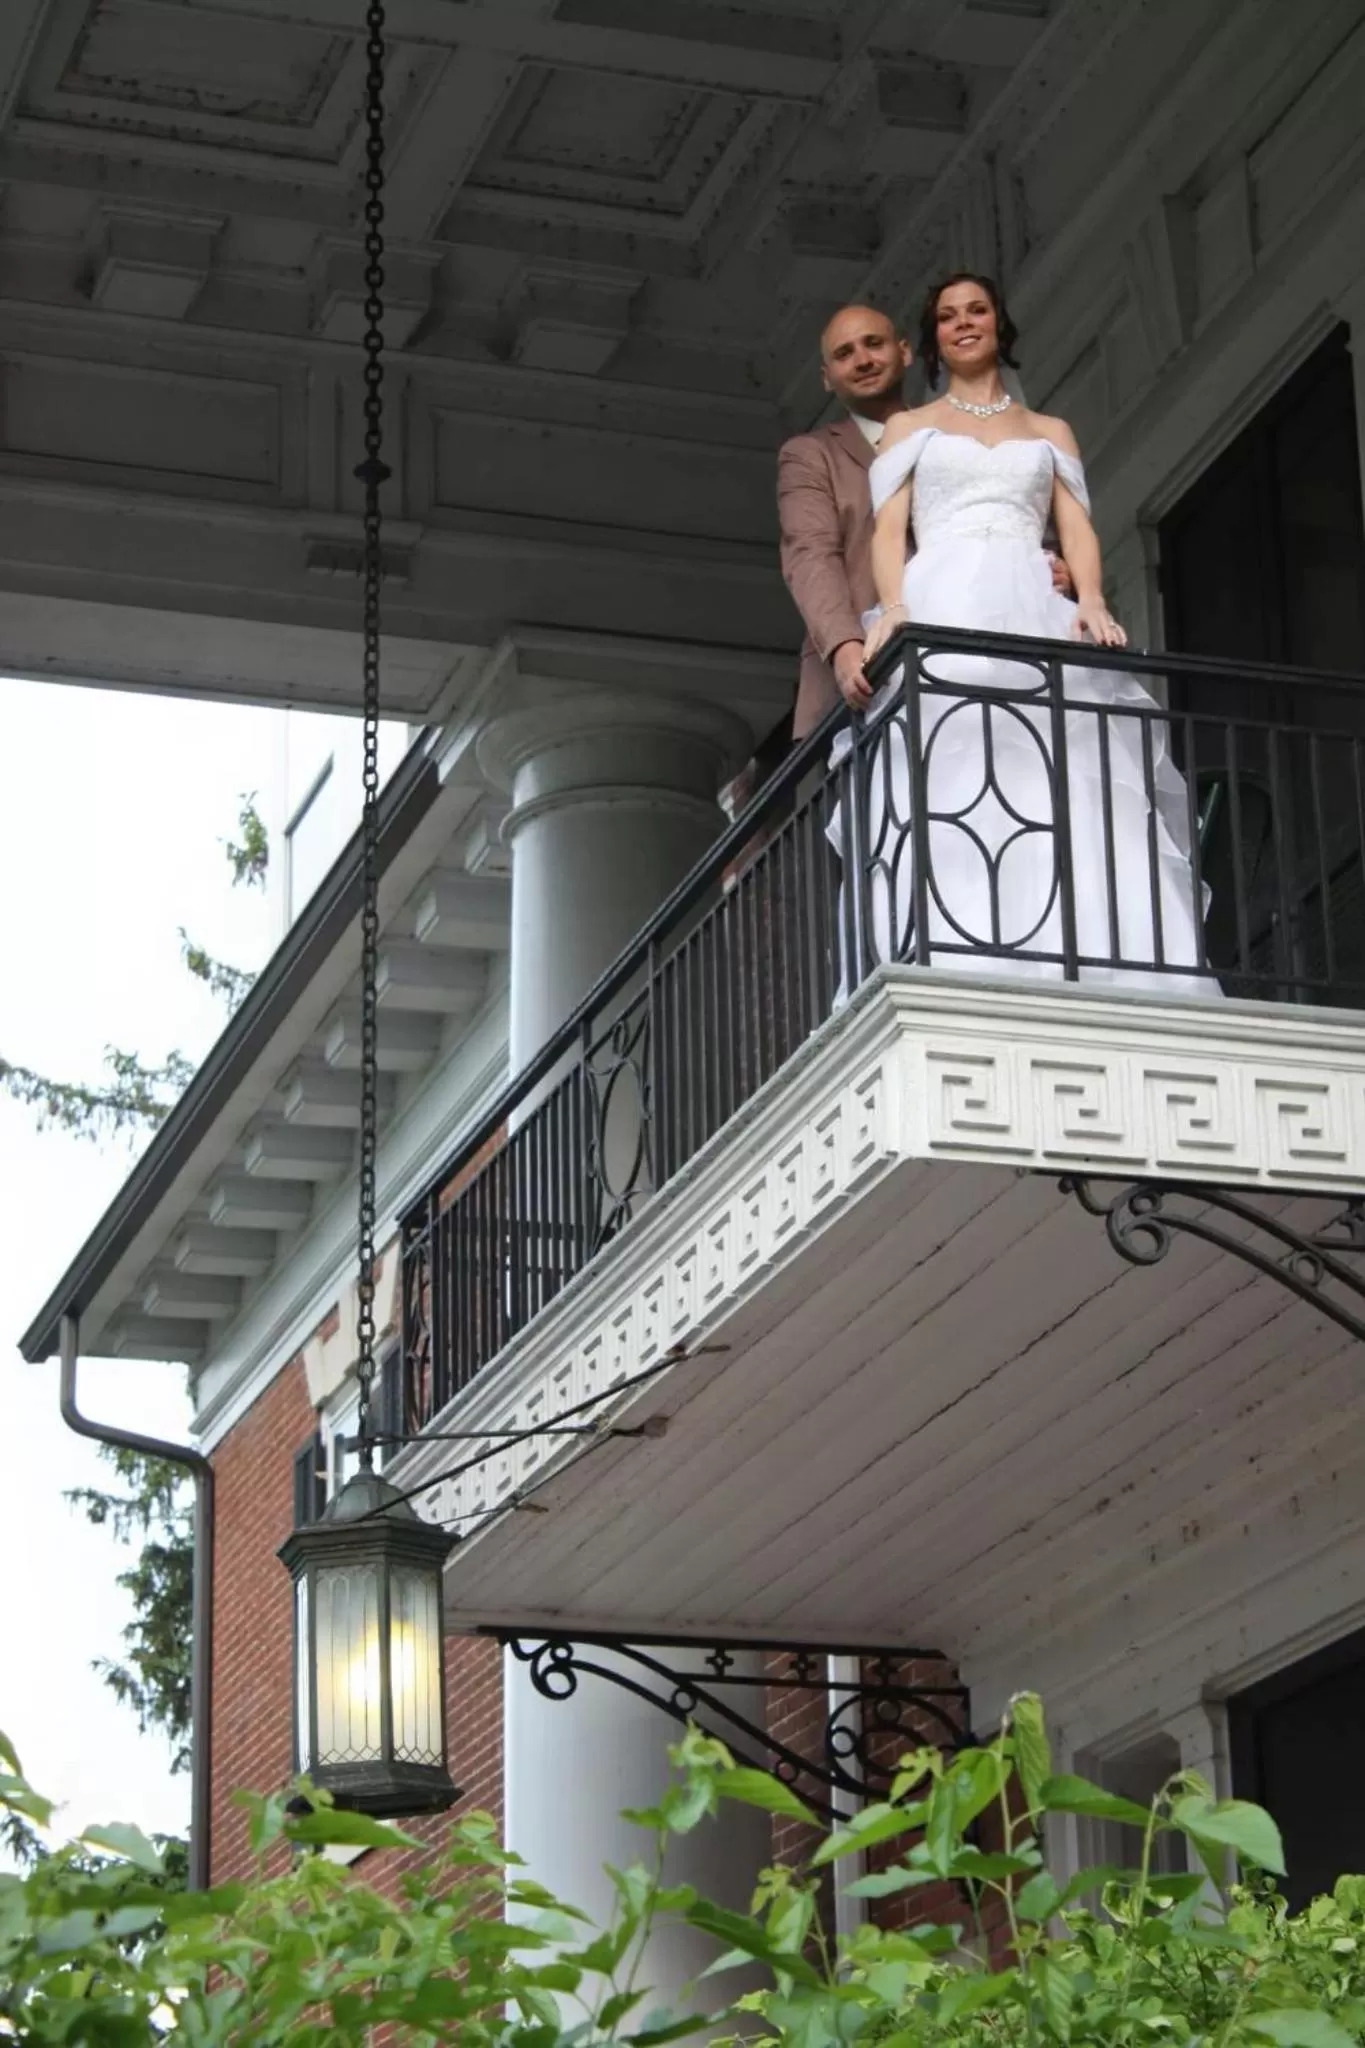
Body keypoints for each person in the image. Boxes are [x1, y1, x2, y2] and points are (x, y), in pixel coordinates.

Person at [829, 272, 1214, 996]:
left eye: (976, 311)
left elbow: (1075, 528)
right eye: (947, 317)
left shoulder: (1049, 431)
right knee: (957, 758)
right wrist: (895, 605)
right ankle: (963, 951)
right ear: (933, 339)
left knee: (1062, 768)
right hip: (943, 590)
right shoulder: (911, 427)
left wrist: (1091, 597)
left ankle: (1096, 948)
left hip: (1033, 595)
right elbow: (888, 531)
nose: (963, 323)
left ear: (999, 325)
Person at [777, 302, 1072, 740]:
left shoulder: (960, 433)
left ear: (905, 351)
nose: (862, 360)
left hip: (984, 661)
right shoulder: (811, 455)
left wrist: (1052, 565)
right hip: (864, 682)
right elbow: (811, 555)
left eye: (873, 344)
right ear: (826, 377)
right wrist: (844, 646)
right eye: (844, 354)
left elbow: (1018, 511)